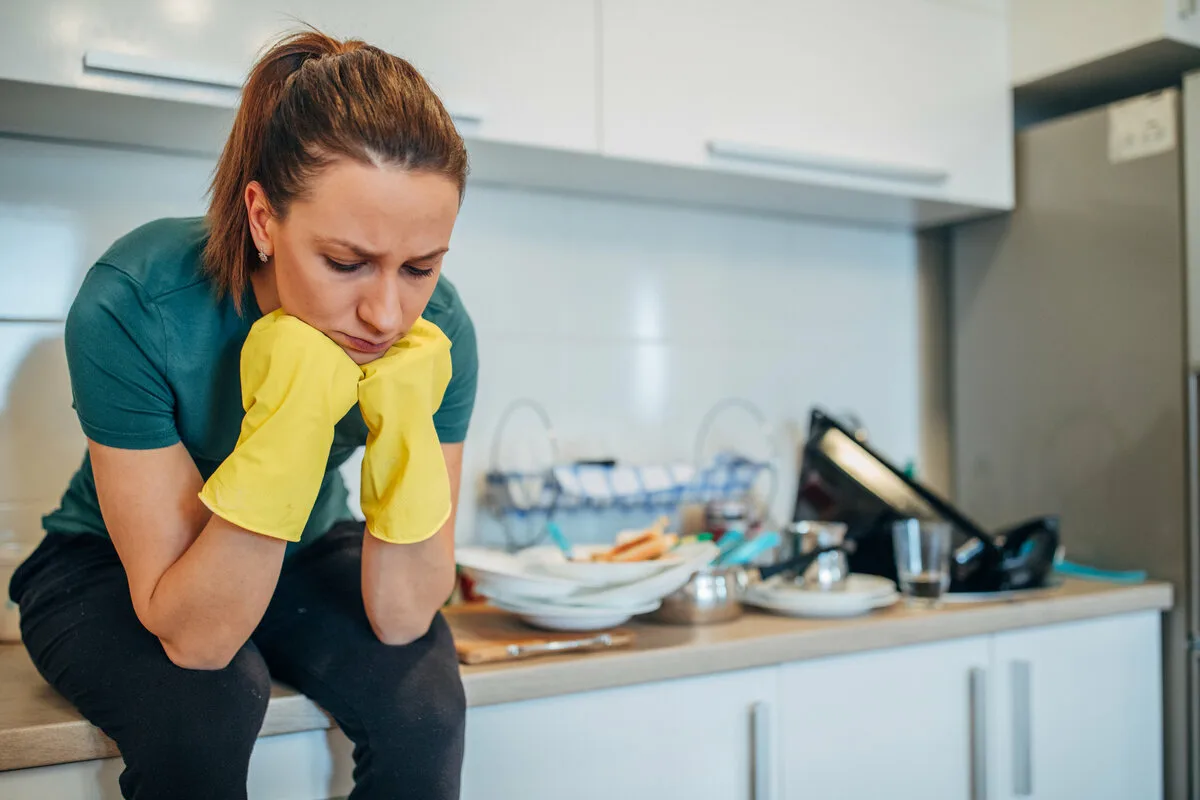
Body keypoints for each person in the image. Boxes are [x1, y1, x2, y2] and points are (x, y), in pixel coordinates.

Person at [7, 28, 477, 800]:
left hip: (307, 546)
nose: (387, 313)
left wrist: (407, 425)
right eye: (345, 262)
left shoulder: (441, 331)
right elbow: (200, 639)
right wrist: (296, 407)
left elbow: (401, 616)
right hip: (104, 566)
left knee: (424, 705)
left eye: (420, 267)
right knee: (206, 705)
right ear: (263, 218)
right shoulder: (135, 300)